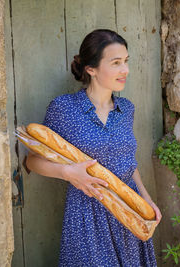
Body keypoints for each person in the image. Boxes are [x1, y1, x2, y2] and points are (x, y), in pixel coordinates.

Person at [26, 29, 162, 267]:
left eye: (126, 62)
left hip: (129, 209)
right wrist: (67, 173)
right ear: (91, 69)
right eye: (116, 63)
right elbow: (31, 161)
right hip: (88, 211)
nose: (125, 70)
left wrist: (146, 200)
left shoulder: (126, 109)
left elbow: (128, 161)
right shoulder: (64, 108)